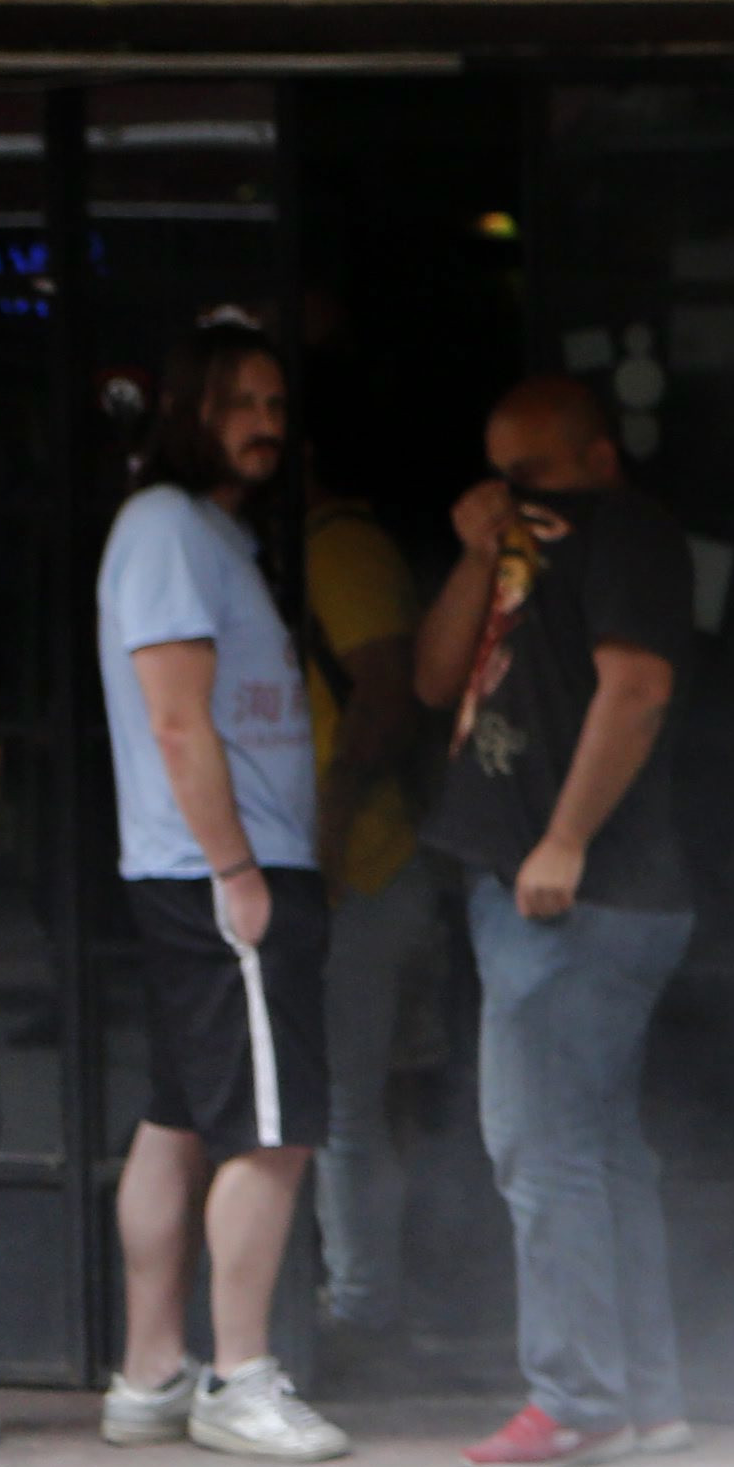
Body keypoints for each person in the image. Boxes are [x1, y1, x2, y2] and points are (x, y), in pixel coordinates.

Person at [411, 373, 699, 1467]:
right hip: (541, 888)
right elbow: (440, 678)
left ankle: (577, 1399)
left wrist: (566, 839)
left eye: (530, 473)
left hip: (581, 891)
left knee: (540, 1147)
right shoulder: (518, 549)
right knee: (597, 1149)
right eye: (497, 472)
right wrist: (481, 549)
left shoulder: (626, 535)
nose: (509, 491)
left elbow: (636, 689)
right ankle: (644, 1394)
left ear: (598, 458)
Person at [94, 320, 352, 1466]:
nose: (263, 424)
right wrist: (240, 870)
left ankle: (150, 1374)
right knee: (274, 1125)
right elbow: (173, 715)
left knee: (181, 1115)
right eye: (239, 401)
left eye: (275, 404)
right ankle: (238, 1377)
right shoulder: (164, 530)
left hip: (203, 868)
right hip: (219, 873)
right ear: (190, 410)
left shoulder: (205, 534)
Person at [301, 438, 438, 1348]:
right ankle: (385, 1288)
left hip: (363, 868)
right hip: (377, 863)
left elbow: (385, 697)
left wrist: (328, 839)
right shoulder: (329, 545)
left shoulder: (334, 548)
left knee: (343, 1103)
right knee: (375, 1095)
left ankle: (362, 1302)